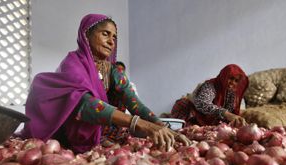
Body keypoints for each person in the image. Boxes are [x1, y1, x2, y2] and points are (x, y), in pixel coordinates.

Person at [20, 14, 190, 153]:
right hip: (69, 132)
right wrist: (142, 125)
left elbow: (134, 102)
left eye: (114, 37)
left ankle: (101, 138)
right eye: (105, 34)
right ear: (86, 35)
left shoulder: (113, 70)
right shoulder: (73, 63)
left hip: (101, 131)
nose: (111, 41)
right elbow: (84, 105)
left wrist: (162, 127)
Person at [171, 64, 249, 127]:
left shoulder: (233, 94)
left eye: (236, 81)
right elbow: (202, 103)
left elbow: (236, 111)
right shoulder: (211, 85)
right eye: (231, 78)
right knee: (183, 104)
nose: (233, 82)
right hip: (197, 115)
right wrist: (226, 114)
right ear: (224, 76)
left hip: (214, 121)